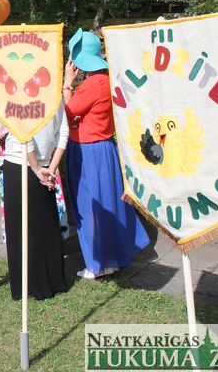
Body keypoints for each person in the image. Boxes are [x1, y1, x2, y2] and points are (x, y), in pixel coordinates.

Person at [63, 28, 149, 280]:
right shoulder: (107, 80)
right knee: (108, 204)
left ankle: (97, 264)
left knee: (90, 206)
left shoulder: (90, 84)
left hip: (88, 151)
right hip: (105, 148)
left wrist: (67, 83)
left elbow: (67, 113)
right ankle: (112, 259)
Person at [0, 102, 69, 300]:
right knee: (24, 230)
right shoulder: (22, 95)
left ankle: (51, 282)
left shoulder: (55, 95)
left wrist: (51, 168)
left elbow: (63, 131)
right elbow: (24, 135)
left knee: (47, 226)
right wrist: (38, 168)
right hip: (19, 165)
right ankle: (28, 285)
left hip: (44, 167)